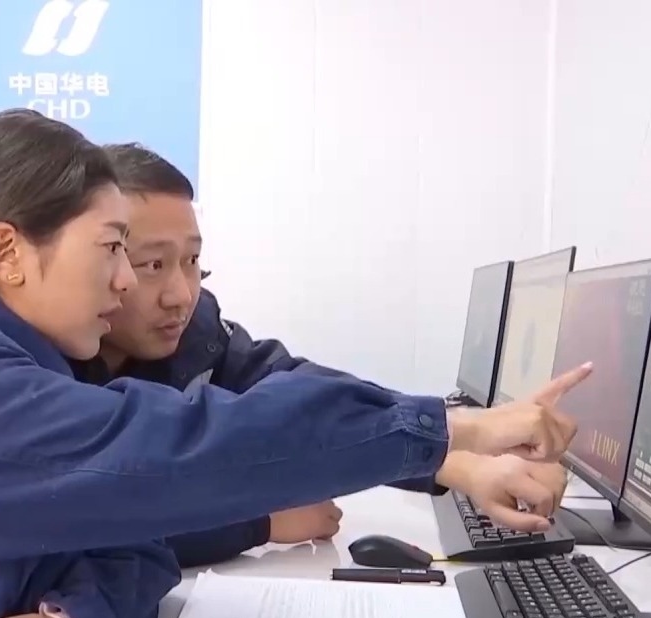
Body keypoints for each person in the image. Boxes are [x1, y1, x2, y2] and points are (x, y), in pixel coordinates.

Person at [0, 108, 590, 618]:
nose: (129, 282)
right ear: (7, 253)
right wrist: (443, 430)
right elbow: (175, 455)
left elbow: (136, 541)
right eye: (113, 249)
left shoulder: (15, 363)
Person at [62, 142, 570, 567]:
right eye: (152, 265)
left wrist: (459, 460)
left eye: (192, 260)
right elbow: (86, 526)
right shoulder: (46, 371)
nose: (180, 293)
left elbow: (306, 402)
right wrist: (258, 523)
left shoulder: (199, 334)